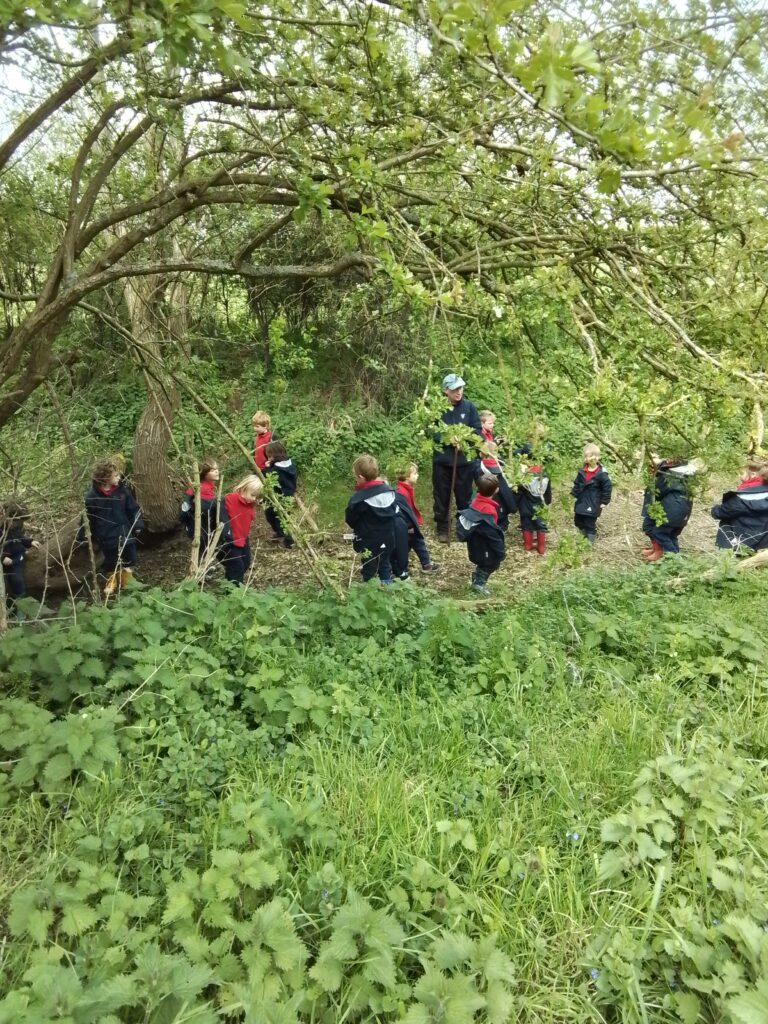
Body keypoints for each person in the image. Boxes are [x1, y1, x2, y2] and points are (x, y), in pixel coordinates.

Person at [432, 373, 482, 544]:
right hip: (442, 462)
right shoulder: (438, 409)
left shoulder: (469, 407)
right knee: (441, 496)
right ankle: (443, 528)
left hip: (463, 463)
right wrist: (447, 439)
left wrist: (465, 438)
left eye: (460, 388)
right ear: (446, 390)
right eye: (454, 389)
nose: (458, 391)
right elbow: (432, 431)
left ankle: (463, 527)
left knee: (464, 496)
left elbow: (478, 430)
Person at [83, 459, 144, 595]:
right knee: (111, 560)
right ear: (105, 478)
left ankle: (126, 580)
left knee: (130, 557)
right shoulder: (92, 498)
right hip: (106, 536)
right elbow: (87, 519)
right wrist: (86, 537)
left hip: (125, 532)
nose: (119, 478)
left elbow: (133, 509)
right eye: (115, 476)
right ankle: (112, 580)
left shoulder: (122, 492)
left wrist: (138, 523)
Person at [345, 455, 398, 585]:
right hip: (388, 538)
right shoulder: (389, 492)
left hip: (368, 541)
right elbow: (395, 512)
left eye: (356, 477)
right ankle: (387, 590)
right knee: (385, 564)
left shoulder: (359, 500)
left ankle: (369, 592)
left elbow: (350, 519)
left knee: (369, 567)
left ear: (361, 477)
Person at [456, 473, 506, 597]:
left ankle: (478, 578)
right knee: (491, 562)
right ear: (496, 490)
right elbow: (490, 532)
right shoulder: (488, 509)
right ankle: (479, 583)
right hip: (484, 543)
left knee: (484, 562)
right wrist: (500, 550)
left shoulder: (476, 501)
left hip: (476, 541)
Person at [641, 456, 697, 560]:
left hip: (672, 512)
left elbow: (657, 490)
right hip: (683, 511)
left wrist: (653, 479)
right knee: (671, 535)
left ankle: (675, 559)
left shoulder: (669, 474)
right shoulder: (686, 472)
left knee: (660, 532)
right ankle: (666, 553)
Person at [711, 459, 768, 552]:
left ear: (754, 474)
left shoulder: (743, 497)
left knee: (726, 523)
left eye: (742, 473)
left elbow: (720, 513)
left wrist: (714, 509)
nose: (740, 476)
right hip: (763, 544)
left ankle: (735, 551)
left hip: (740, 542)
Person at [393, 463, 440, 576]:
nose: (418, 475)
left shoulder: (407, 489)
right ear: (407, 476)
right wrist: (410, 525)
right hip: (407, 524)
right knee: (413, 543)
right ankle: (400, 567)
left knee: (414, 542)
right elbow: (404, 511)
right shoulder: (401, 492)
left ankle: (424, 564)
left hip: (410, 524)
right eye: (415, 473)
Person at [219, 475, 263, 584]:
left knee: (245, 563)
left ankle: (231, 582)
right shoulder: (230, 499)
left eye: (256, 497)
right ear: (244, 488)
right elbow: (219, 516)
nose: (254, 499)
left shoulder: (251, 504)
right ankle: (233, 594)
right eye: (252, 495)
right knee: (237, 566)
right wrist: (226, 534)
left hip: (242, 538)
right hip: (229, 540)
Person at [571, 443, 612, 544]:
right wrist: (574, 494)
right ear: (585, 458)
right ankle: (583, 537)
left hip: (594, 502)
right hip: (581, 501)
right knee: (578, 521)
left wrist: (604, 501)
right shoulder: (582, 472)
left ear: (598, 457)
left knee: (589, 523)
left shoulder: (602, 474)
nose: (592, 458)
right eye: (589, 456)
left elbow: (607, 488)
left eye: (595, 456)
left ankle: (589, 542)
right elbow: (577, 484)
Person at [180, 460, 219, 560]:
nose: (216, 471)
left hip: (208, 527)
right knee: (201, 550)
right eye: (212, 470)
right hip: (198, 528)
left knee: (207, 549)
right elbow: (184, 511)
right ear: (204, 473)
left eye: (217, 469)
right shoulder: (196, 490)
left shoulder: (212, 489)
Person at [1, 501, 38, 607]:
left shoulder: (17, 525)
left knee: (17, 580)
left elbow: (20, 537)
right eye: (16, 521)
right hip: (3, 559)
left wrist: (29, 542)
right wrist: (3, 557)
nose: (18, 524)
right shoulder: (2, 526)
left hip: (17, 557)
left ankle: (21, 606)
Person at [263, 440, 297, 548]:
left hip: (280, 496)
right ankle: (280, 533)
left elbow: (268, 477)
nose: (268, 459)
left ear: (274, 455)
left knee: (280, 517)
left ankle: (289, 540)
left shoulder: (276, 469)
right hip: (288, 494)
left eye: (269, 456)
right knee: (273, 515)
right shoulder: (289, 465)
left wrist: (267, 467)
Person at [517, 461, 552, 555]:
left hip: (525, 506)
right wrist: (547, 501)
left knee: (526, 525)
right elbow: (548, 494)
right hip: (540, 506)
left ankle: (528, 545)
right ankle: (541, 547)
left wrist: (517, 504)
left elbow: (519, 493)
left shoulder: (524, 477)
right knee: (541, 526)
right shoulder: (545, 476)